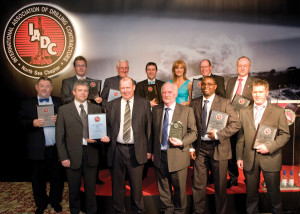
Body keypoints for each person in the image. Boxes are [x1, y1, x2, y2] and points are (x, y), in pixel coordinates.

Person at [56, 80, 110, 214]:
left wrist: (102, 138)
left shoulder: (96, 109)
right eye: (80, 90)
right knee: (73, 190)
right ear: (74, 92)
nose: (83, 93)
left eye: (86, 90)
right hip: (72, 156)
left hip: (91, 154)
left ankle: (92, 211)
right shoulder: (63, 110)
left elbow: (101, 132)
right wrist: (63, 157)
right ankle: (74, 211)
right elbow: (60, 137)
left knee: (91, 190)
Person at [236, 79, 290, 214]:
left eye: (260, 92)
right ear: (252, 93)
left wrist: (270, 147)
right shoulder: (244, 111)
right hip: (249, 159)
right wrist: (239, 157)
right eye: (255, 92)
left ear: (266, 92)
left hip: (271, 158)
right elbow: (240, 137)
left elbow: (285, 135)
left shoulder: (278, 111)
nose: (257, 95)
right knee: (251, 196)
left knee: (274, 196)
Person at [190, 76, 241, 214]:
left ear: (215, 86)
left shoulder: (224, 103)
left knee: (220, 186)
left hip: (219, 147)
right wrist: (191, 147)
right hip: (200, 149)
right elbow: (190, 126)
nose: (206, 86)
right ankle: (198, 211)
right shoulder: (194, 103)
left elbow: (236, 123)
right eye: (204, 84)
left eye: (209, 84)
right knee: (198, 185)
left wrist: (219, 134)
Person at [106, 76, 152, 213]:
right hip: (117, 150)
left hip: (136, 150)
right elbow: (108, 127)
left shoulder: (144, 103)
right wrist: (105, 135)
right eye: (122, 88)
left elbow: (149, 128)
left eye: (128, 87)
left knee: (136, 187)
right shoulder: (112, 104)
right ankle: (119, 211)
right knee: (117, 186)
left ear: (133, 87)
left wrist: (148, 150)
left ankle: (138, 210)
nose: (125, 91)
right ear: (119, 89)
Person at [18, 77, 64, 214]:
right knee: (38, 179)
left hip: (55, 148)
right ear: (36, 87)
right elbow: (20, 122)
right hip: (37, 149)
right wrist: (33, 123)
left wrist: (59, 119)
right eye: (42, 86)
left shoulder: (58, 102)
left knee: (57, 178)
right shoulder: (27, 104)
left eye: (47, 86)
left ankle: (55, 201)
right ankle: (41, 204)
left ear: (51, 88)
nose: (44, 89)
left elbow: (68, 121)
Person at [152, 82, 197, 213]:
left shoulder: (187, 110)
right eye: (164, 92)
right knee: (163, 188)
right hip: (160, 155)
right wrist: (152, 152)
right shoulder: (156, 110)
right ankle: (167, 210)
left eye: (169, 92)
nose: (166, 95)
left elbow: (194, 133)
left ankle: (180, 211)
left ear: (176, 94)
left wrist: (182, 142)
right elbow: (152, 133)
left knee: (179, 189)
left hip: (178, 155)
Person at [225, 56, 260, 188]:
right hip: (231, 122)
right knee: (231, 151)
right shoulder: (230, 81)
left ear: (249, 67)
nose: (242, 67)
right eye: (240, 65)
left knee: (246, 150)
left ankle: (248, 178)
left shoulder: (255, 82)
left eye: (245, 65)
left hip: (247, 122)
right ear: (237, 66)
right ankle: (233, 177)